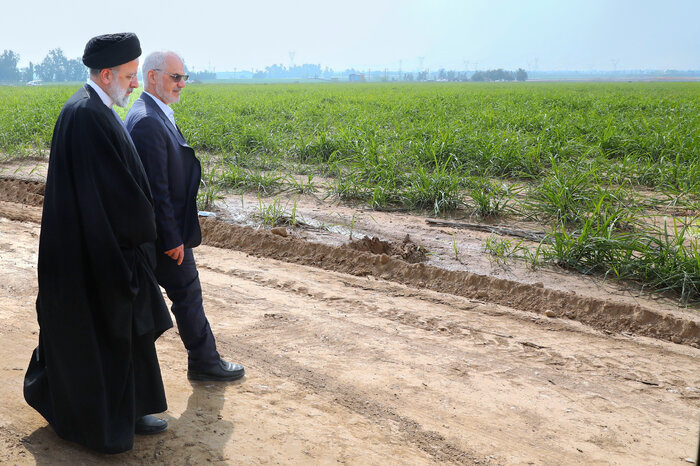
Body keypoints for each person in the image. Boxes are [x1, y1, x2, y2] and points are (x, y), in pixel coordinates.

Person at [24, 33, 173, 454]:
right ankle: (99, 424)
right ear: (105, 74)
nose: (134, 84)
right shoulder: (86, 115)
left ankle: (133, 408)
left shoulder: (96, 109)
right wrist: (139, 232)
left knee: (127, 334)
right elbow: (106, 197)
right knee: (102, 338)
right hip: (95, 256)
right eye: (128, 76)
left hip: (108, 250)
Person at [126, 51, 245, 382]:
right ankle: (203, 362)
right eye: (174, 77)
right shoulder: (148, 120)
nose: (181, 84)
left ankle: (202, 360)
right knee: (186, 295)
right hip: (164, 235)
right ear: (152, 77)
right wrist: (172, 238)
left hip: (163, 231)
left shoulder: (153, 112)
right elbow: (156, 189)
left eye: (183, 78)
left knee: (181, 297)